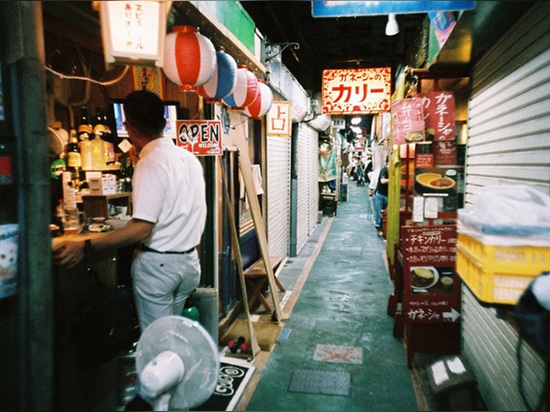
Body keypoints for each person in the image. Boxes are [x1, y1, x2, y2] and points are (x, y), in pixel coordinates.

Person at [52, 90, 207, 333]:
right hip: (189, 264)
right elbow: (172, 201)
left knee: (155, 342)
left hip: (159, 269)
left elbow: (141, 229)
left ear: (127, 125)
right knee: (171, 335)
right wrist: (138, 162)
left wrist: (86, 246)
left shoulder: (151, 163)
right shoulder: (188, 159)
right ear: (165, 123)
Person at [373, 158, 389, 236]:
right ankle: (379, 229)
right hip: (379, 195)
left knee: (385, 213)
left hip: (387, 195)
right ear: (388, 163)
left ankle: (383, 229)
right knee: (379, 213)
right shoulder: (384, 170)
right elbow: (382, 181)